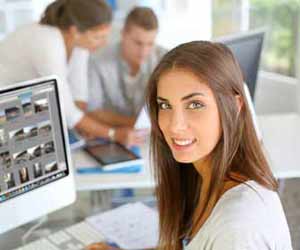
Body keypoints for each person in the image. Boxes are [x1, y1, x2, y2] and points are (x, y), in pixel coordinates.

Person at [86, 41, 292, 250]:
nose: (175, 126)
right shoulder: (201, 176)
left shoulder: (238, 231)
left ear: (234, 106)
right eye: (165, 105)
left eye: (195, 105)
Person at [0, 0, 140, 145]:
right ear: (75, 31)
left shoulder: (78, 42)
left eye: (105, 36)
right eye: (98, 37)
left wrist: (81, 127)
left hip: (20, 108)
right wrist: (113, 134)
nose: (103, 43)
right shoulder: (47, 43)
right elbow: (66, 110)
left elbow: (79, 94)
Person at [78, 6, 166, 128]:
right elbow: (93, 111)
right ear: (123, 34)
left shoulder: (165, 60)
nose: (144, 51)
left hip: (152, 135)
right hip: (111, 134)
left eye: (150, 44)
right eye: (138, 43)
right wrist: (135, 124)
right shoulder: (98, 61)